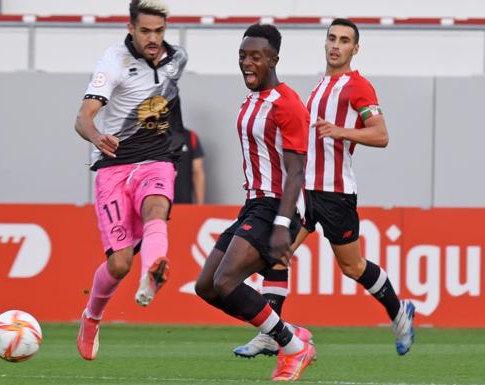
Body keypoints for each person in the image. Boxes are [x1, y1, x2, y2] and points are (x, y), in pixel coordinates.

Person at [233, 18, 416, 359]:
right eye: (332, 38)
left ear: (354, 49)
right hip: (305, 192)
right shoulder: (320, 87)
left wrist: (341, 131)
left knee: (353, 267)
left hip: (335, 193)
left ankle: (398, 310)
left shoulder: (357, 87)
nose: (336, 45)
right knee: (277, 254)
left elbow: (381, 135)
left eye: (344, 40)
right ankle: (273, 335)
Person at [195, 23, 316, 381]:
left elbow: (296, 171)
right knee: (207, 287)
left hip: (277, 205)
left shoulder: (288, 104)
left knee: (227, 281)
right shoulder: (251, 102)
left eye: (256, 57)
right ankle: (287, 332)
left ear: (274, 59)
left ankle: (293, 348)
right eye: (243, 56)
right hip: (252, 204)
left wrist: (282, 223)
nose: (248, 63)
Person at [73, 0, 187, 361]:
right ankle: (92, 316)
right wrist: (95, 136)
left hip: (157, 161)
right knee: (119, 262)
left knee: (158, 207)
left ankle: (151, 273)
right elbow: (83, 117)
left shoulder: (177, 58)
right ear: (131, 28)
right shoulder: (113, 63)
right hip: (114, 167)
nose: (153, 39)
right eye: (145, 31)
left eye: (159, 31)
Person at [174, 128, 206, 204]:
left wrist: (200, 205)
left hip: (184, 203)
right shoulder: (149, 137)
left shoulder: (190, 136)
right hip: (156, 204)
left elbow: (197, 172)